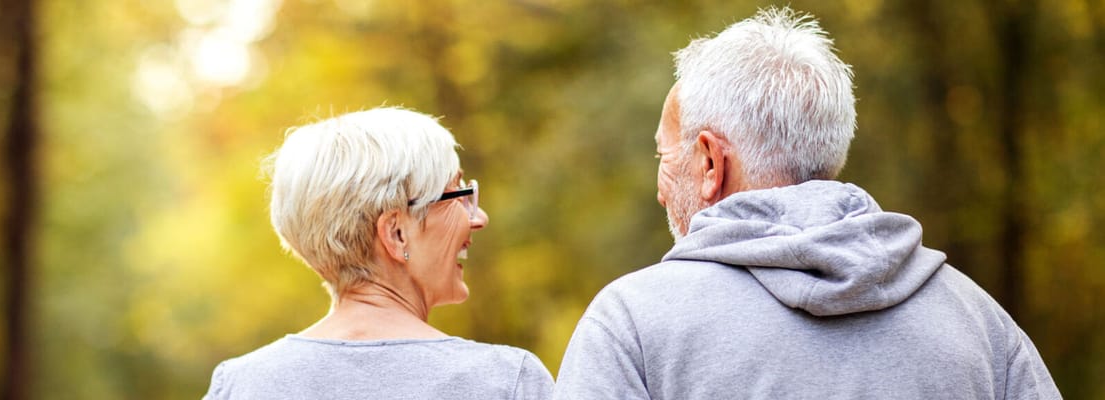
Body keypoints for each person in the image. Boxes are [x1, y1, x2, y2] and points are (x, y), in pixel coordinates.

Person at [553, 7, 1061, 399]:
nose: (661, 189)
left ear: (711, 162)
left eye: (666, 158)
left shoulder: (632, 326)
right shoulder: (977, 320)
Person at [201, 107, 553, 399]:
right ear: (397, 234)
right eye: (456, 195)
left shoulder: (239, 386)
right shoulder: (506, 382)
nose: (478, 217)